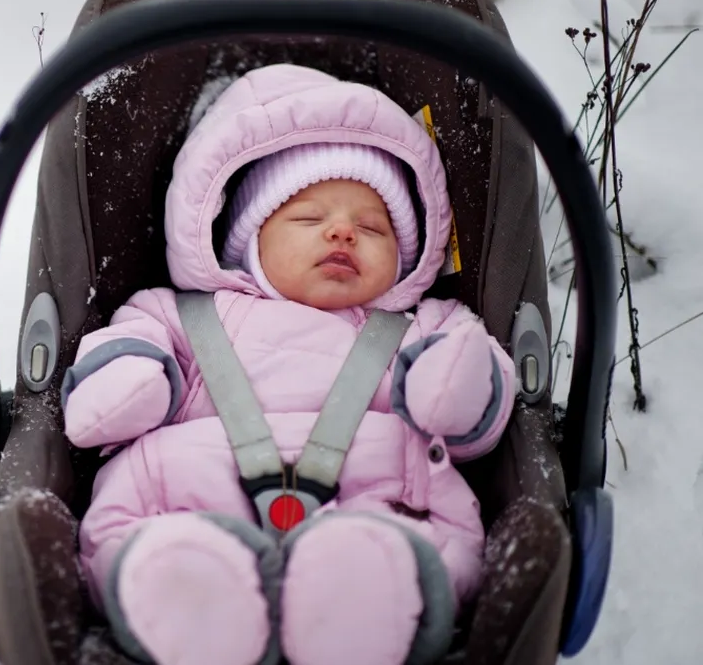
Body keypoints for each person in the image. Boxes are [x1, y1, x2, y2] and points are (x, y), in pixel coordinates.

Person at [58, 63, 517, 665]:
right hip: (187, 500)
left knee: (383, 553)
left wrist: (454, 387)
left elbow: (478, 403)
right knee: (169, 548)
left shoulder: (425, 327)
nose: (343, 235)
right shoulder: (181, 315)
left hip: (377, 503)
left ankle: (358, 602)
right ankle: (190, 596)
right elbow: (120, 365)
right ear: (247, 239)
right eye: (309, 219)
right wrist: (129, 382)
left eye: (373, 227)